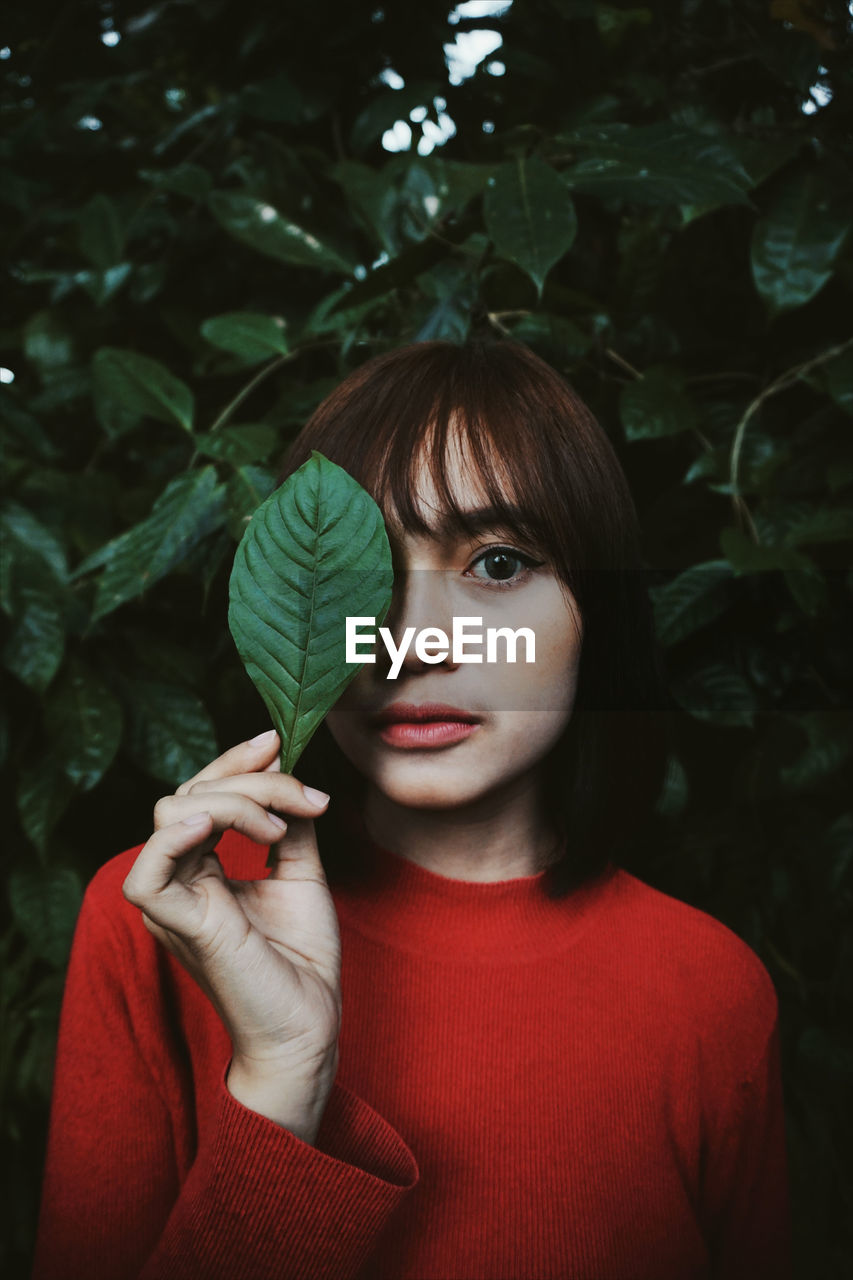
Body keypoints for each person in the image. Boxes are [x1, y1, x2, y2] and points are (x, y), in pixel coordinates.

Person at [32, 340, 791, 1280]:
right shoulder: (158, 922)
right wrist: (281, 1081)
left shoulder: (709, 994)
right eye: (366, 575)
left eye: (499, 563)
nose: (415, 643)